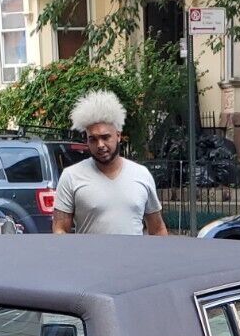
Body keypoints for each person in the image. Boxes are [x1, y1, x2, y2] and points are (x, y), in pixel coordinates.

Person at [53, 90, 167, 236]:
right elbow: (60, 229)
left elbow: (157, 229)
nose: (100, 144)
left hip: (134, 258)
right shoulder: (71, 176)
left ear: (118, 136)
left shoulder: (141, 174)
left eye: (106, 137)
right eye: (92, 139)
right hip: (89, 258)